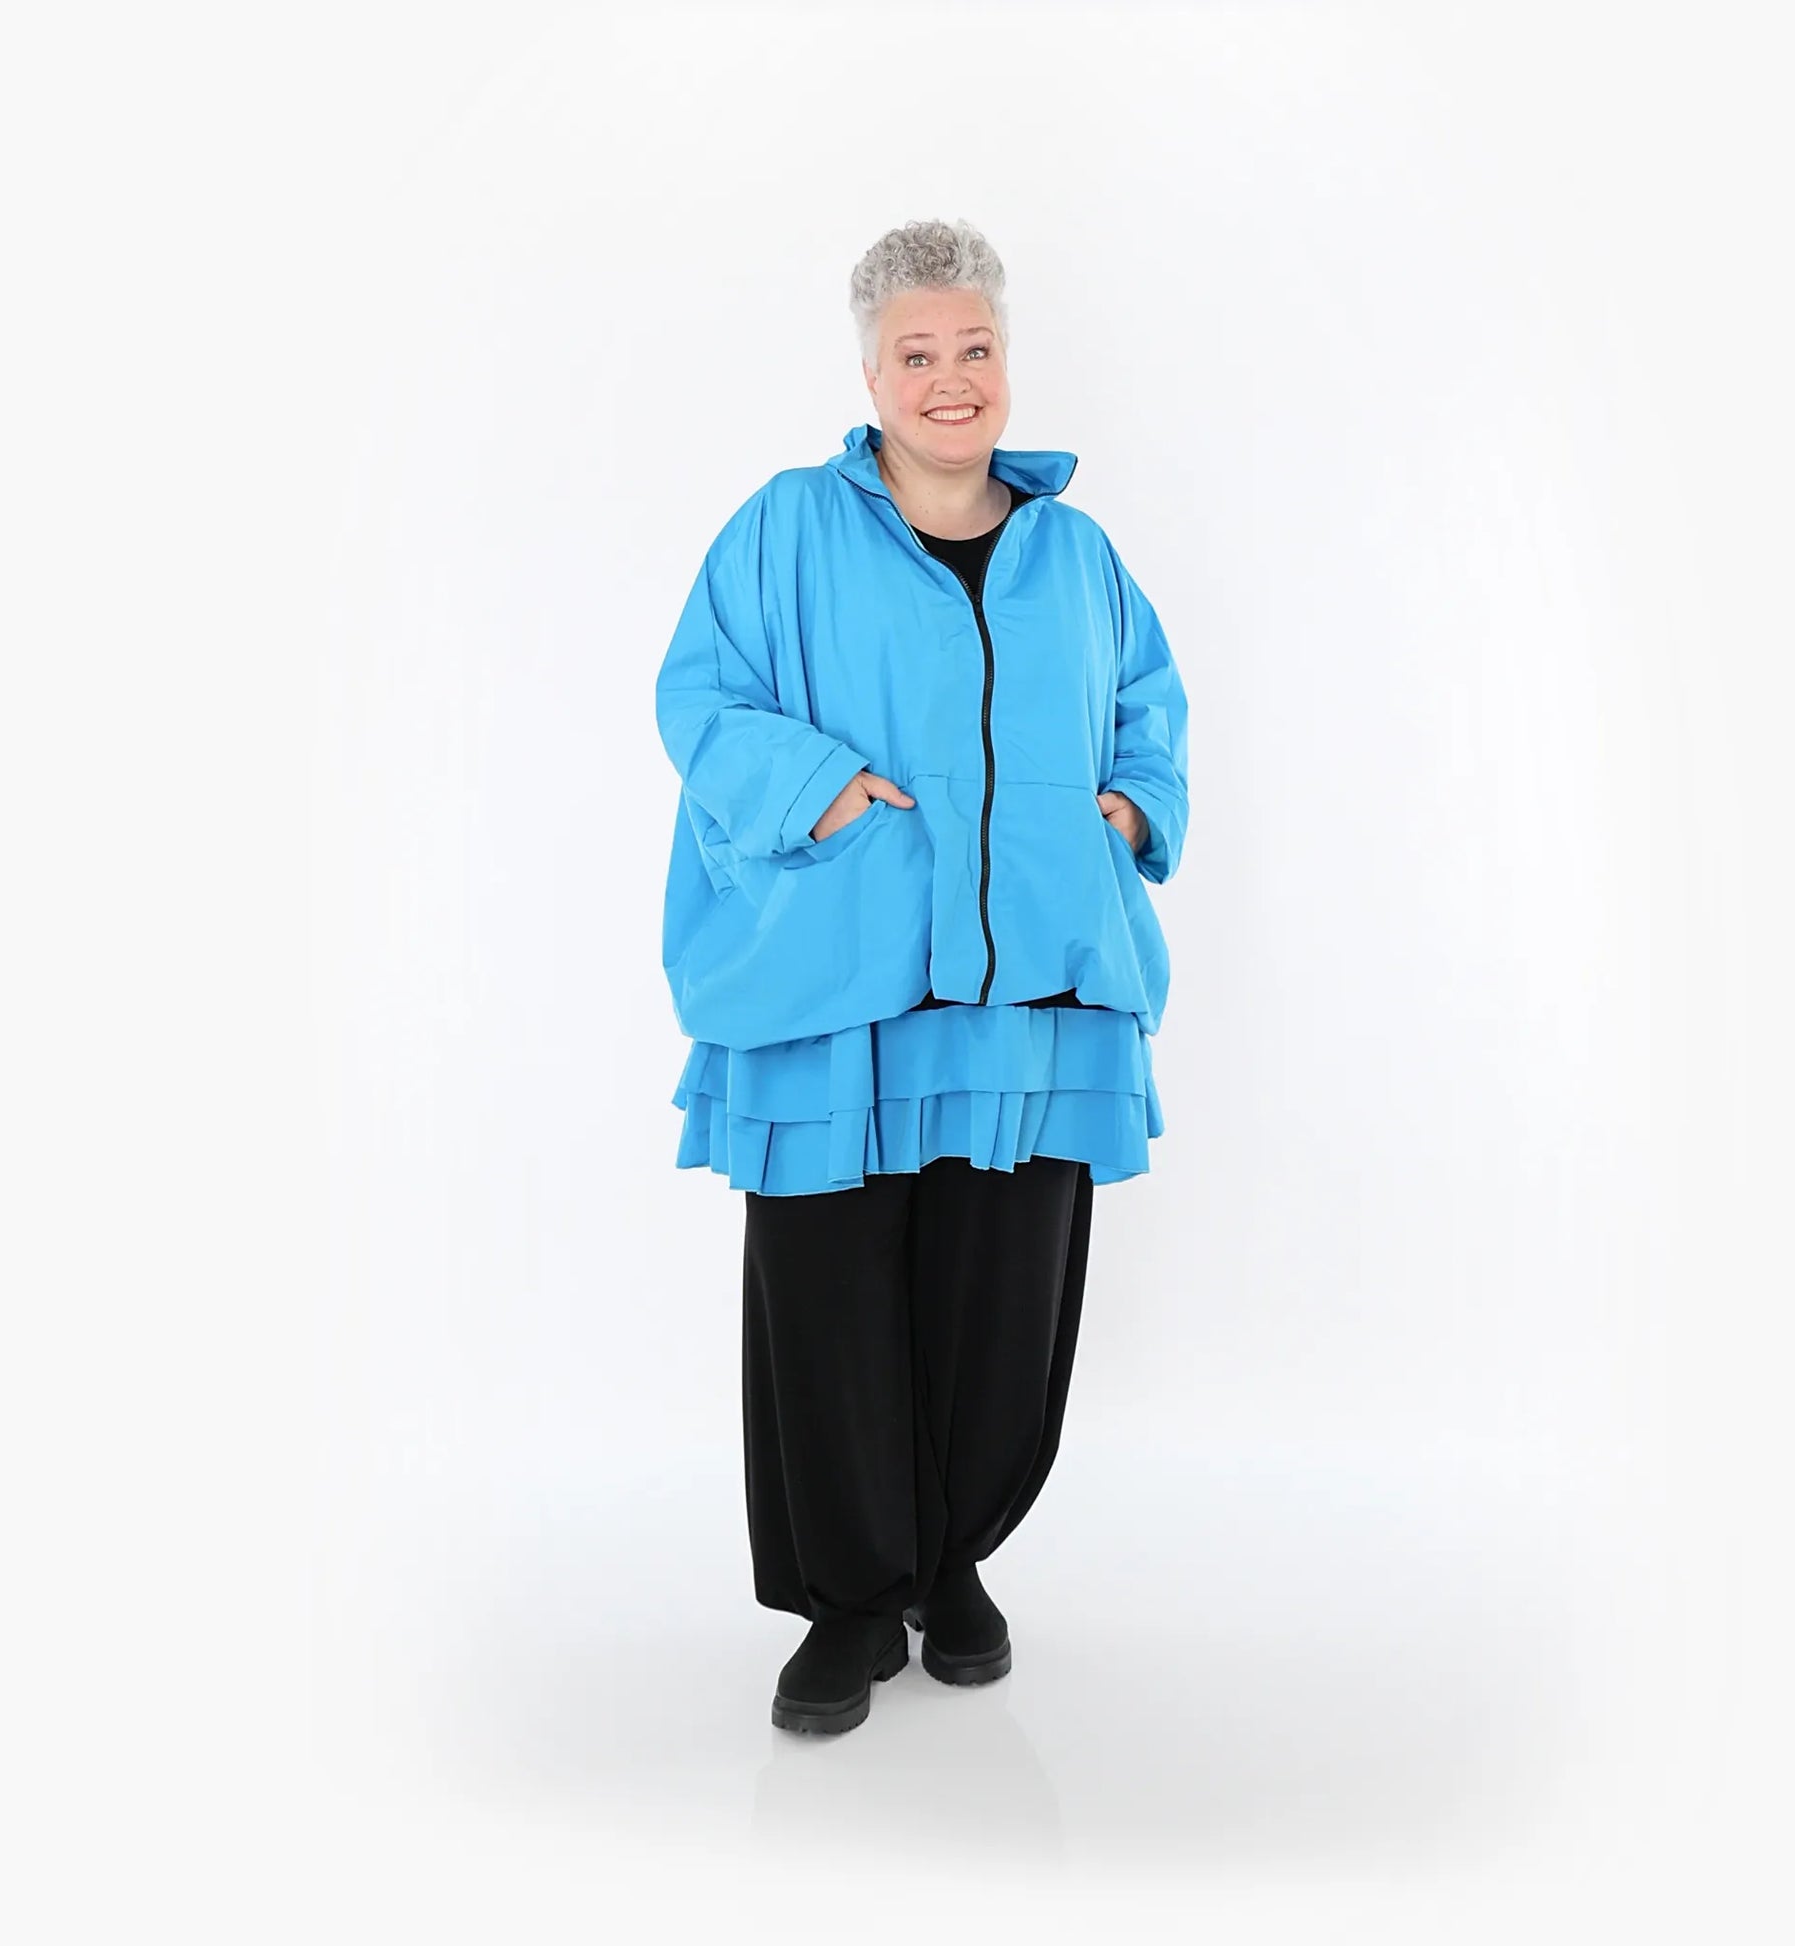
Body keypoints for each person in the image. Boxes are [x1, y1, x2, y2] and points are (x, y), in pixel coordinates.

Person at [654, 218, 1190, 1735]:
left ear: (1004, 361)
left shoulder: (1078, 553)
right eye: (917, 353)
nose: (951, 379)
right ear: (870, 373)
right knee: (830, 1290)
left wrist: (1131, 809)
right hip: (844, 980)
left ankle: (950, 1558)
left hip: (1034, 990)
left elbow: (1148, 705)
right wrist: (815, 787)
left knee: (996, 1292)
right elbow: (700, 698)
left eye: (975, 348)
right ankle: (847, 1600)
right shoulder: (785, 528)